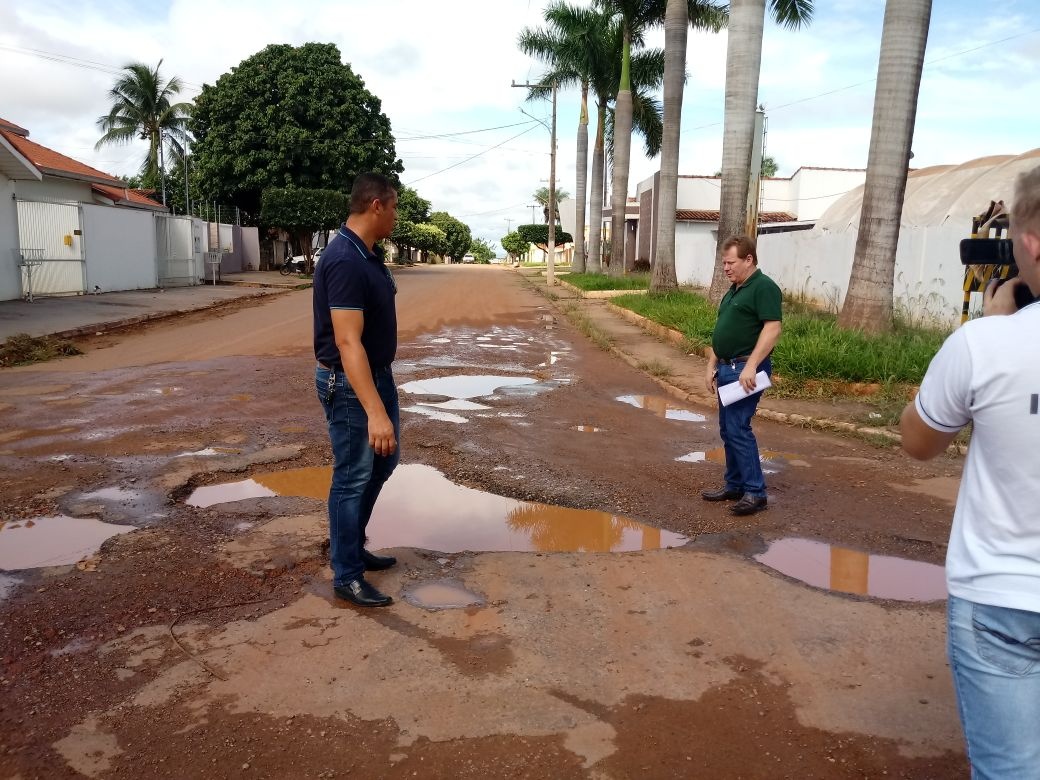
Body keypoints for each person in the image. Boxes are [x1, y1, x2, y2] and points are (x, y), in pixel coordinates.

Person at [900, 165, 1040, 778]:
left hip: (1003, 596)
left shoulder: (987, 345)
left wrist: (993, 323)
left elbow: (919, 441)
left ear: (1030, 242)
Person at [313, 172, 400, 608]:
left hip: (375, 375)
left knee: (383, 463)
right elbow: (347, 342)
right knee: (353, 476)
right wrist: (376, 411)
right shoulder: (345, 260)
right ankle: (346, 574)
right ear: (376, 206)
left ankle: (351, 547)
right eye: (396, 206)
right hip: (351, 384)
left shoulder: (366, 255)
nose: (398, 216)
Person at [702, 235, 782, 516]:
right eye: (724, 262)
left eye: (730, 262)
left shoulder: (764, 287)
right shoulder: (734, 290)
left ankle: (755, 492)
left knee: (738, 428)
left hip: (745, 371)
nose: (725, 268)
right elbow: (722, 329)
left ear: (749, 259)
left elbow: (772, 328)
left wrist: (752, 366)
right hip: (727, 367)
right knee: (728, 430)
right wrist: (712, 362)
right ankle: (735, 484)